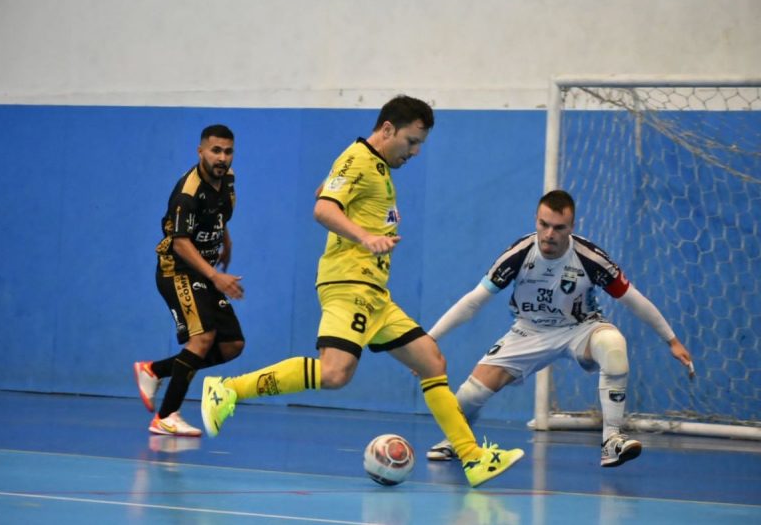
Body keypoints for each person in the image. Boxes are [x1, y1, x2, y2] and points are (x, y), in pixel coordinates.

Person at [200, 95, 524, 487]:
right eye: (411, 141)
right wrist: (365, 236)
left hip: (375, 295)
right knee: (335, 373)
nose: (416, 151)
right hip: (349, 283)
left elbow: (328, 189)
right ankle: (227, 389)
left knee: (432, 362)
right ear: (387, 129)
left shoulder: (373, 166)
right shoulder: (359, 158)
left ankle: (472, 458)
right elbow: (323, 208)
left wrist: (343, 201)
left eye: (420, 144)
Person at [423, 189, 694, 467]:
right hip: (528, 331)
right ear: (536, 220)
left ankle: (612, 440)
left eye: (558, 227)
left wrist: (671, 339)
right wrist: (429, 339)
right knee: (470, 395)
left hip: (580, 329)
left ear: (571, 228)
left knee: (613, 345)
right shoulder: (519, 255)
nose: (549, 234)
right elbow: (473, 302)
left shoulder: (590, 259)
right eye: (544, 224)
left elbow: (633, 300)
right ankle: (458, 441)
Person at [133, 124, 246, 437]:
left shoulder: (229, 179)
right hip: (176, 270)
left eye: (228, 151)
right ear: (200, 152)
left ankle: (155, 371)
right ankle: (166, 417)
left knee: (233, 344)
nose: (222, 157)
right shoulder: (188, 193)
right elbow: (181, 243)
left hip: (203, 270)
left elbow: (220, 214)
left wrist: (227, 240)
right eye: (215, 151)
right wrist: (216, 276)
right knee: (203, 337)